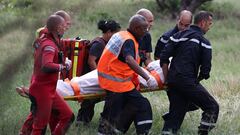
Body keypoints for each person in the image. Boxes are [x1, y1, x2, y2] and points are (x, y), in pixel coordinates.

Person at [160, 11, 219, 135]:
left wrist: (167, 79)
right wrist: (196, 81)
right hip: (187, 81)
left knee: (175, 118)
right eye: (209, 23)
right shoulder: (204, 42)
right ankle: (203, 132)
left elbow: (164, 57)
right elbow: (205, 70)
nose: (210, 26)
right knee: (212, 107)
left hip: (173, 81)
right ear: (202, 23)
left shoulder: (177, 36)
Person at [97, 14, 158, 135]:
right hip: (116, 83)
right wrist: (148, 77)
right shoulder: (129, 40)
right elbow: (129, 60)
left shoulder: (121, 35)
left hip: (117, 81)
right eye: (144, 28)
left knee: (140, 104)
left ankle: (124, 130)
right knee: (112, 115)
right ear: (135, 28)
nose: (146, 31)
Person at [20, 15, 74, 135]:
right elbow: (46, 65)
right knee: (40, 128)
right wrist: (62, 66)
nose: (66, 28)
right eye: (65, 26)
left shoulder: (50, 40)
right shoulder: (48, 44)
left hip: (49, 90)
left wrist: (63, 62)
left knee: (68, 116)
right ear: (58, 28)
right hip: (42, 92)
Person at [76, 19, 121, 125]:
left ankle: (85, 121)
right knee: (89, 101)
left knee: (92, 101)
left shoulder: (107, 43)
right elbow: (91, 61)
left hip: (100, 76)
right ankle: (81, 122)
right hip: (92, 77)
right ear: (109, 32)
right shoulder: (99, 44)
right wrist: (98, 76)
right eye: (116, 33)